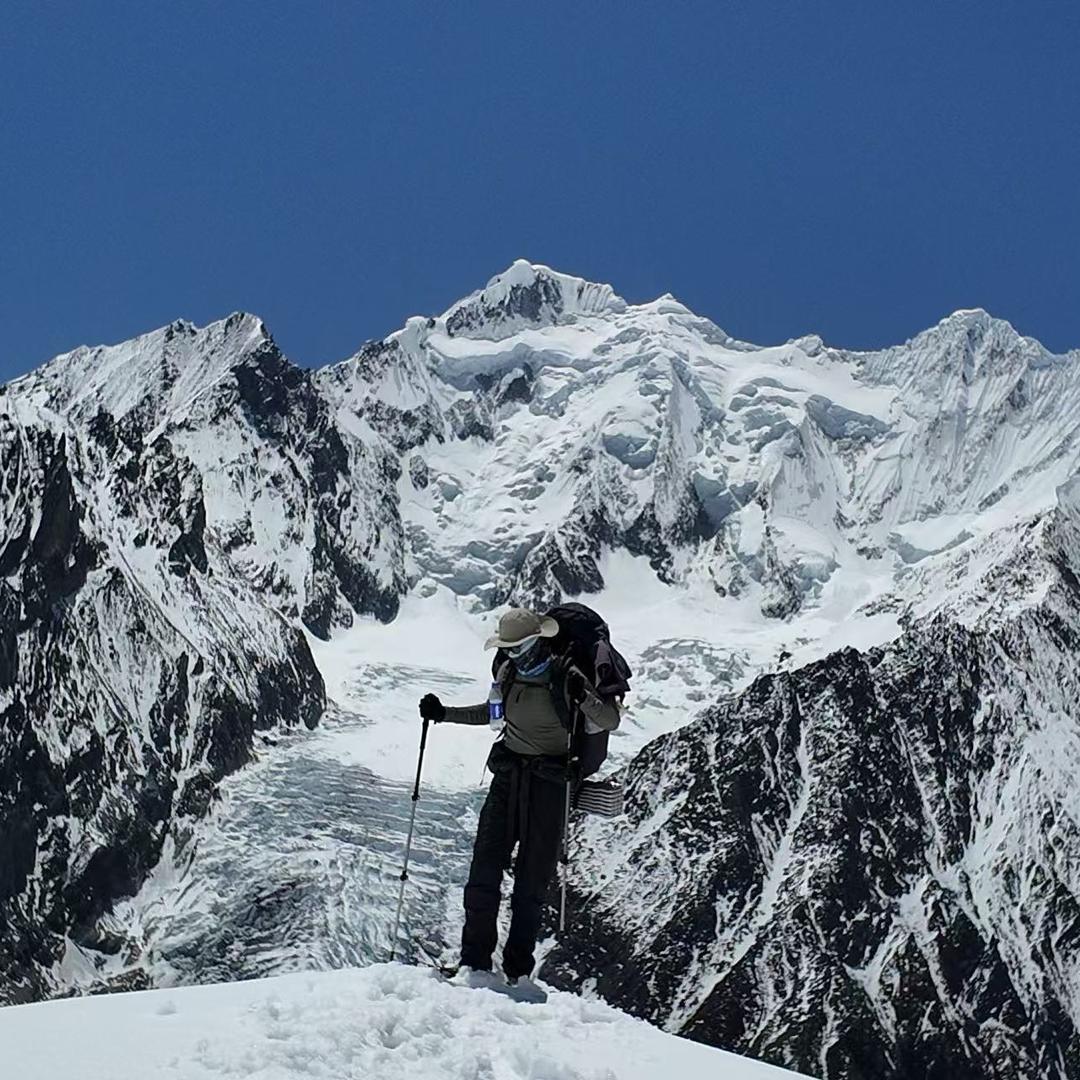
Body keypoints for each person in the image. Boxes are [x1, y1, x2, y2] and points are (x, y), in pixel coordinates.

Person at [418, 607, 620, 988]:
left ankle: (517, 973)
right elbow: (493, 716)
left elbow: (608, 720)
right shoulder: (508, 673)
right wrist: (444, 714)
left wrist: (585, 697)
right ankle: (475, 965)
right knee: (485, 869)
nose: (512, 655)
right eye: (507, 649)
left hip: (550, 782)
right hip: (511, 776)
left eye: (517, 647)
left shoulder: (566, 676)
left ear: (537, 641)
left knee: (531, 881)